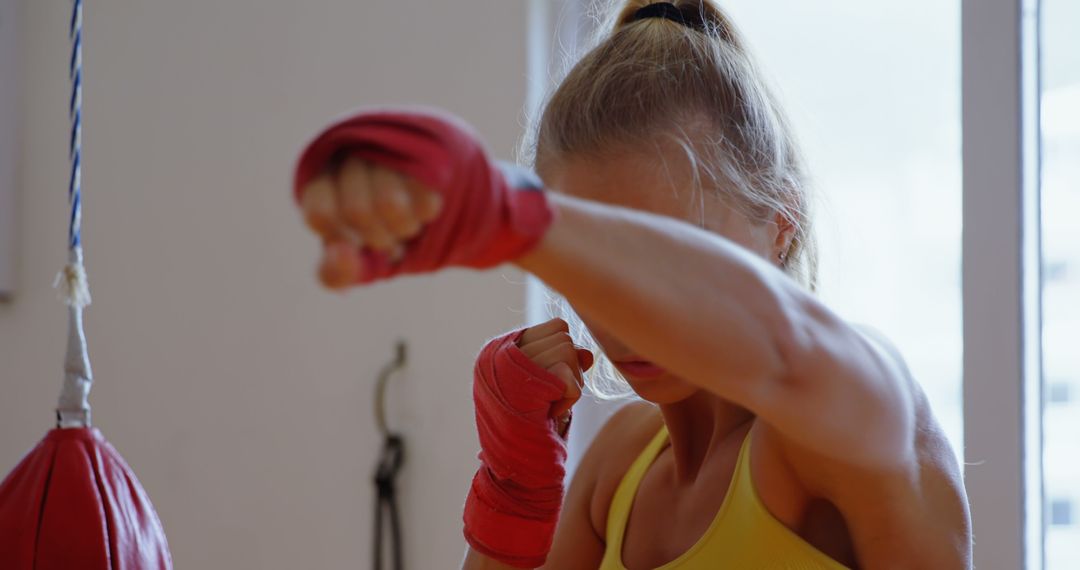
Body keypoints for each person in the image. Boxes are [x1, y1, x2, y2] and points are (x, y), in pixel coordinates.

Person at [291, 1, 973, 568]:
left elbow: (786, 343)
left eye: (664, 251)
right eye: (597, 264)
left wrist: (514, 219)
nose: (620, 317)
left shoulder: (851, 415)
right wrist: (513, 490)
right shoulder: (620, 466)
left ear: (781, 226)